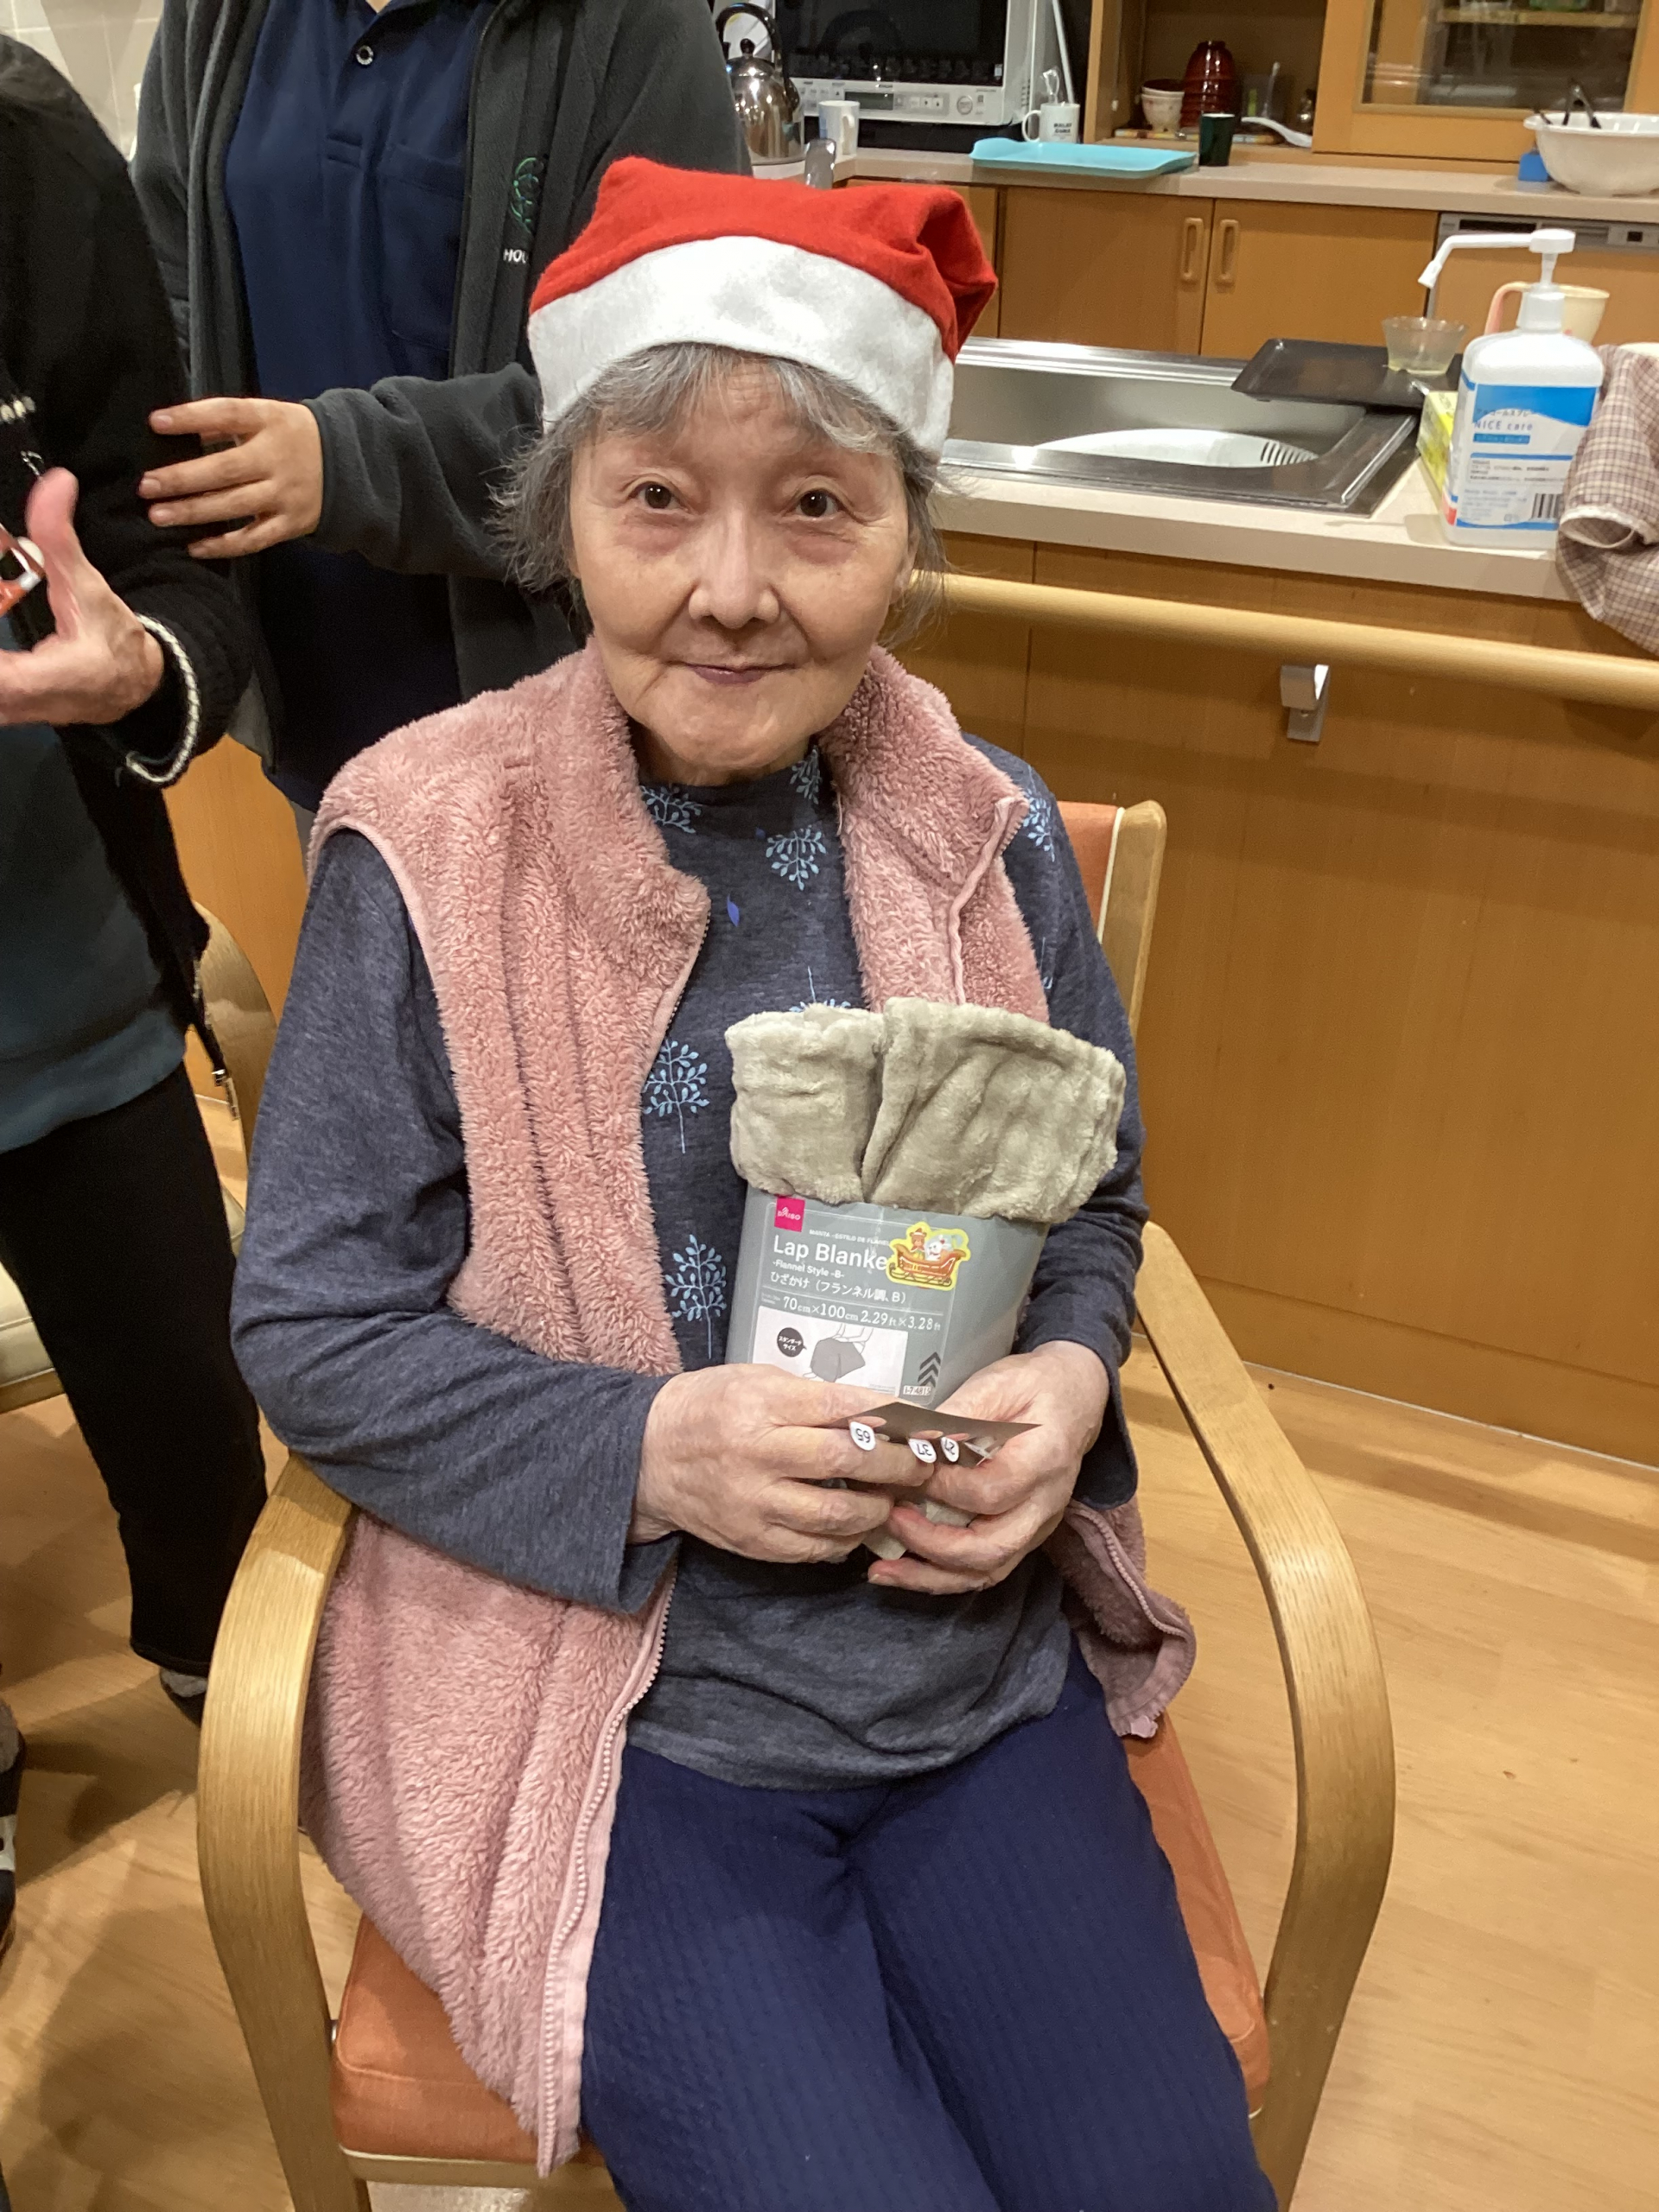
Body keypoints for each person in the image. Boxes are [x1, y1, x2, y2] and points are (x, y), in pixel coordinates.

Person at [231, 165, 1274, 2212]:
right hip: (626, 1720)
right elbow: (313, 1325)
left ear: (904, 535)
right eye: (656, 500)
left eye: (815, 504)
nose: (731, 588)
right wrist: (650, 1447)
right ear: (564, 515)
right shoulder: (423, 846)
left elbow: (1092, 1201)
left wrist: (1071, 1380)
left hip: (968, 1677)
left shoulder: (982, 829)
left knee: (1168, 2181)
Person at [130, 0, 748, 836]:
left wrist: (348, 464)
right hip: (309, 709)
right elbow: (167, 301)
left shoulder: (634, 27)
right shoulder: (220, 18)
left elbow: (666, 395)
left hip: (558, 725)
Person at [0, 38, 267, 1963]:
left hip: (67, 992)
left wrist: (144, 665)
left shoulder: (21, 150)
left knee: (200, 1457)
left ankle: (217, 1671)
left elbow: (176, 554)